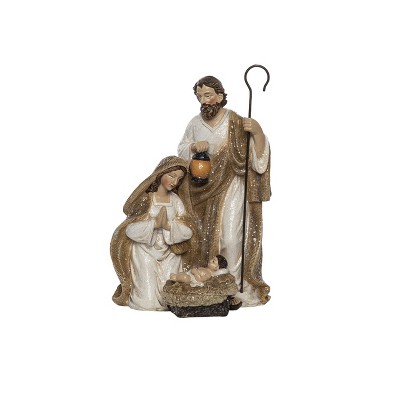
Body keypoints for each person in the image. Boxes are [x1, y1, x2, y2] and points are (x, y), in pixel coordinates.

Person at [177, 76, 271, 307]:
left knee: (230, 238)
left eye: (208, 95)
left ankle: (234, 286)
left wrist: (258, 133)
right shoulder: (194, 123)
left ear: (220, 96)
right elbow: (181, 150)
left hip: (232, 186)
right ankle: (210, 282)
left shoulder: (236, 122)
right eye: (199, 96)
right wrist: (193, 147)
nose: (204, 101)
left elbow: (258, 162)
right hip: (202, 188)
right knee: (205, 236)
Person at [110, 156, 196, 310]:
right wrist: (154, 224)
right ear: (161, 173)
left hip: (170, 253)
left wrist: (168, 226)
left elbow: (189, 230)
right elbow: (129, 229)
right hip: (144, 251)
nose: (175, 182)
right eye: (172, 175)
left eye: (179, 178)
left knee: (168, 298)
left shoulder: (176, 201)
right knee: (146, 303)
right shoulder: (146, 199)